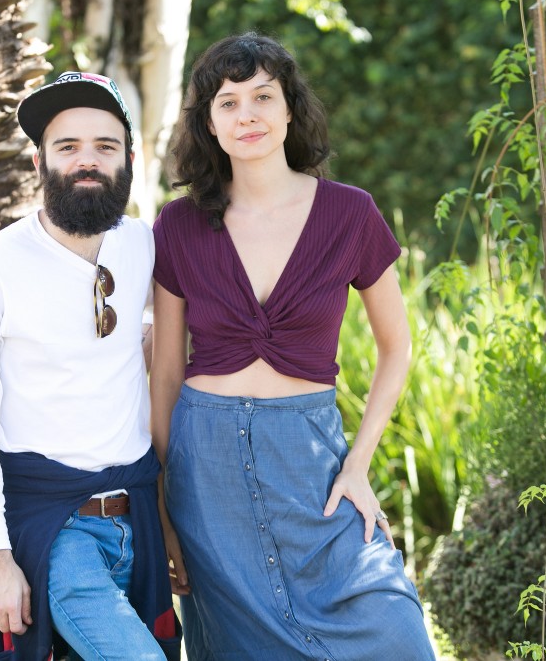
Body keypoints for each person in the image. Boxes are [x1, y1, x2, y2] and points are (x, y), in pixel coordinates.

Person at [149, 33, 438, 661]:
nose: (246, 114)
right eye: (227, 102)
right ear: (208, 122)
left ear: (288, 110)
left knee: (395, 634)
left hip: (313, 466)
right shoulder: (177, 225)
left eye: (262, 97)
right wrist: (165, 510)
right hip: (206, 474)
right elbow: (166, 375)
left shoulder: (351, 214)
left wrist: (357, 463)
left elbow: (398, 347)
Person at [0, 71, 179, 661]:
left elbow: (162, 340)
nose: (86, 161)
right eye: (68, 146)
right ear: (39, 159)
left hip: (139, 520)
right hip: (54, 529)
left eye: (104, 145)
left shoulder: (143, 245)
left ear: (130, 156)